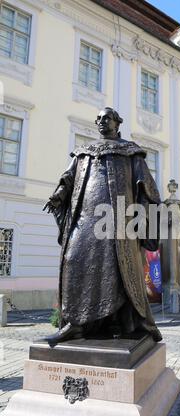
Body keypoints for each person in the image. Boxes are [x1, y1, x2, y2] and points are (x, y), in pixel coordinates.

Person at [43, 107, 162, 344]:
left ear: (118, 123)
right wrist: (59, 195)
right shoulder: (83, 152)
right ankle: (74, 323)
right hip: (84, 220)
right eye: (98, 118)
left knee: (116, 270)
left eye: (106, 118)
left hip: (117, 222)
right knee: (73, 260)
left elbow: (146, 188)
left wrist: (144, 220)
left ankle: (117, 323)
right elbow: (68, 178)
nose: (100, 121)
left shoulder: (130, 152)